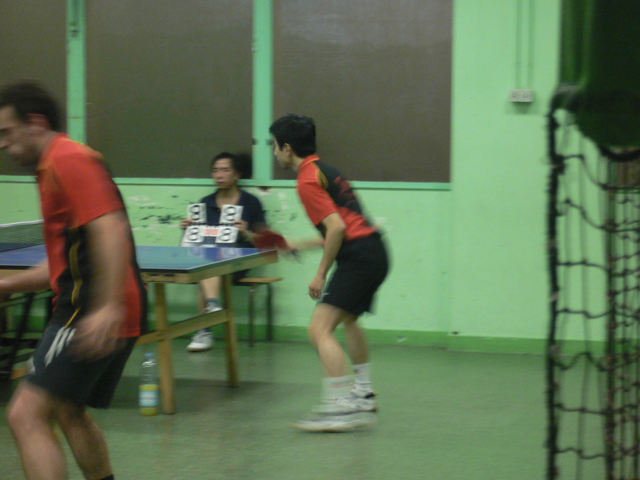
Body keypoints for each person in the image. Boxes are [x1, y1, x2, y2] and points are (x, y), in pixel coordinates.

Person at [0, 80, 146, 480]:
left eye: (6, 132)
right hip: (95, 303)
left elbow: (110, 229)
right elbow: (62, 267)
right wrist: (7, 286)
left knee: (24, 415)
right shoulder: (51, 167)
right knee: (68, 410)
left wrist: (107, 306)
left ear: (35, 123)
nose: (2, 144)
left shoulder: (68, 159)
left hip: (88, 308)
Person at [269, 114, 389, 432]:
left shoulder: (306, 179)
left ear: (287, 148)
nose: (274, 153)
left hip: (359, 258)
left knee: (318, 329)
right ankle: (362, 394)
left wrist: (320, 273)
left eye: (274, 146)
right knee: (348, 319)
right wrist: (299, 243)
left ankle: (340, 407)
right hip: (374, 251)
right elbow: (342, 228)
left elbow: (336, 228)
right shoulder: (325, 171)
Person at [180, 152, 267, 352]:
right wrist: (188, 229)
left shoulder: (251, 203)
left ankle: (204, 329)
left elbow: (265, 240)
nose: (219, 175)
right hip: (209, 262)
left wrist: (246, 233)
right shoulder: (205, 203)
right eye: (215, 171)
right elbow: (198, 241)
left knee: (206, 267)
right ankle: (212, 308)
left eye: (225, 170)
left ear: (236, 175)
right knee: (207, 264)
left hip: (240, 261)